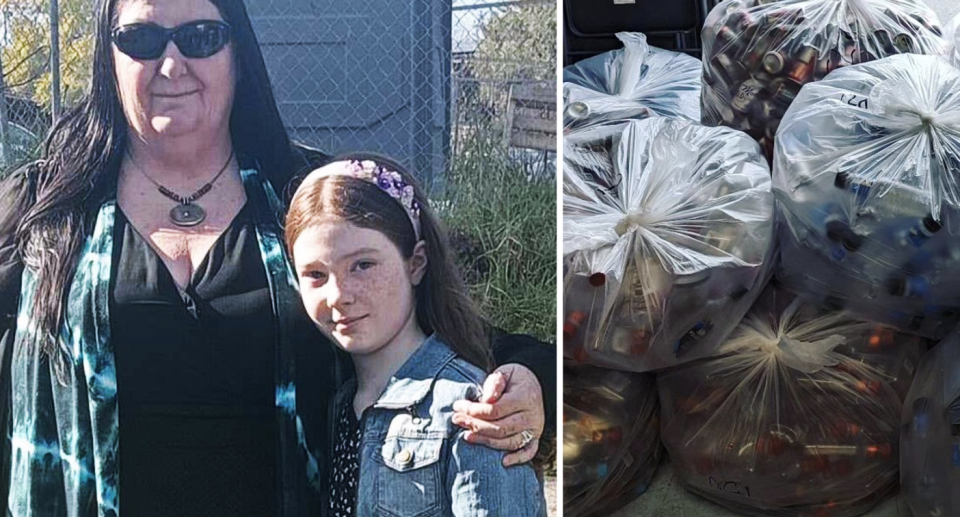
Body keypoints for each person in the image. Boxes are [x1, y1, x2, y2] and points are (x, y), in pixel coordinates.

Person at [0, 0, 555, 515]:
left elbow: (436, 321)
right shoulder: (47, 207)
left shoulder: (306, 195)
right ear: (108, 56)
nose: (172, 63)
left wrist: (528, 383)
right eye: (141, 39)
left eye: (200, 37)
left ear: (238, 52)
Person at [286, 154, 546, 516]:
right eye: (315, 274)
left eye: (362, 265)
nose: (338, 295)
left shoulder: (472, 409)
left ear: (417, 263)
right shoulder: (340, 404)